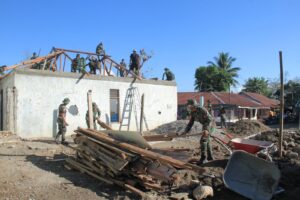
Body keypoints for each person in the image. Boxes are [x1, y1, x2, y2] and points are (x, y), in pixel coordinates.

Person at [181, 99, 214, 164]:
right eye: (188, 107)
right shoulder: (193, 112)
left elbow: (209, 119)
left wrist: (206, 129)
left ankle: (203, 159)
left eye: (190, 106)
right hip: (204, 124)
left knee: (203, 140)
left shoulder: (201, 109)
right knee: (207, 141)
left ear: (194, 105)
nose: (189, 108)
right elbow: (191, 122)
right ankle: (210, 157)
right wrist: (186, 131)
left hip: (209, 124)